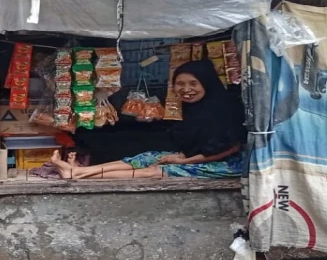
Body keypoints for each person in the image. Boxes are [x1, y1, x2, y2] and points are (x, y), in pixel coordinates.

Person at [49, 60, 244, 180]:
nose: (186, 89)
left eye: (193, 83)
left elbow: (227, 148)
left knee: (154, 171)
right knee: (147, 157)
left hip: (225, 164)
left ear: (207, 83)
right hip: (196, 157)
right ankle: (82, 170)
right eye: (180, 84)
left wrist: (185, 160)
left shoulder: (224, 107)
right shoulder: (195, 108)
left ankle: (78, 174)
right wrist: (182, 155)